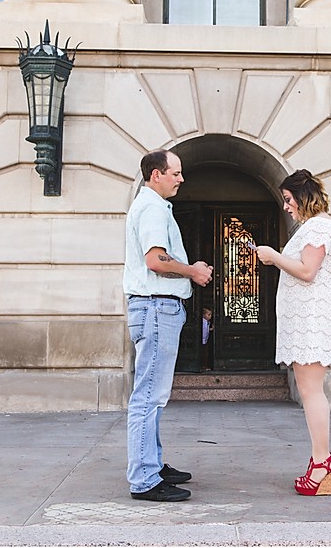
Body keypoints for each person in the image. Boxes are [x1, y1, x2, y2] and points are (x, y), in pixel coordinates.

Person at [123, 150, 213, 502]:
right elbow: (155, 260)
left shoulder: (153, 206)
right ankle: (144, 478)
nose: (181, 179)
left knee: (153, 395)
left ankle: (153, 464)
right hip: (156, 307)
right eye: (175, 173)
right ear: (156, 174)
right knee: (148, 396)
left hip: (156, 307)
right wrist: (193, 271)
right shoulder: (152, 208)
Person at [255, 169, 331, 496]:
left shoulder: (320, 226)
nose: (286, 206)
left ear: (304, 197)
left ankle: (323, 462)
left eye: (289, 199)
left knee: (310, 392)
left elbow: (308, 271)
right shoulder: (313, 227)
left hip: (313, 321)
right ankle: (320, 460)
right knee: (309, 391)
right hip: (307, 320)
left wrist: (274, 256)